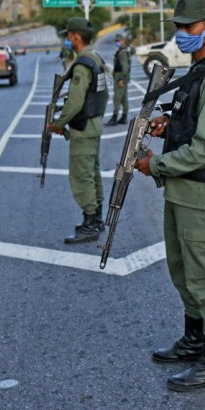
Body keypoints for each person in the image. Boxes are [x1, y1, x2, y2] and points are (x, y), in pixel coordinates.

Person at [135, 0, 205, 392]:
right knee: (183, 272)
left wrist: (155, 165)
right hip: (180, 193)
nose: (181, 33)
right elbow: (191, 128)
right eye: (178, 27)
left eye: (189, 27)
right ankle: (194, 340)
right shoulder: (198, 73)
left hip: (198, 194)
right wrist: (169, 121)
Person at [47, 17, 109, 244]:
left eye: (69, 35)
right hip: (93, 125)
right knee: (92, 173)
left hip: (83, 128)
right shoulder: (96, 59)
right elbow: (103, 95)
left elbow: (74, 102)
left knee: (82, 176)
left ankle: (90, 224)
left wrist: (59, 124)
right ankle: (97, 219)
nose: (67, 39)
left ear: (75, 36)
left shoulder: (83, 64)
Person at [106, 34, 131, 126]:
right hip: (122, 77)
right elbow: (119, 65)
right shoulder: (122, 51)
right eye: (116, 41)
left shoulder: (123, 52)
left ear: (122, 40)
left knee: (117, 98)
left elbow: (125, 67)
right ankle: (124, 117)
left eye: (118, 41)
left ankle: (114, 118)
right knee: (124, 98)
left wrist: (120, 79)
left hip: (121, 78)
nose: (117, 42)